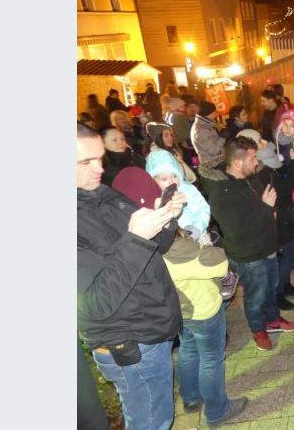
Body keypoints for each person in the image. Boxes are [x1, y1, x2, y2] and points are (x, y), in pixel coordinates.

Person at [111, 168, 249, 427]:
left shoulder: (130, 242)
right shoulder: (173, 246)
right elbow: (218, 264)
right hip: (203, 309)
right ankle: (218, 410)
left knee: (188, 350)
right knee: (211, 357)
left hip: (179, 310)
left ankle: (190, 397)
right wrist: (206, 247)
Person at [77, 122, 185, 430]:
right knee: (152, 422)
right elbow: (94, 306)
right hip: (130, 343)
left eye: (101, 158)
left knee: (157, 417)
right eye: (86, 162)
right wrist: (137, 238)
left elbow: (154, 248)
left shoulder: (101, 193)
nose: (99, 168)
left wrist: (165, 219)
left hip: (151, 328)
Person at [205, 137, 294, 351]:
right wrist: (267, 209)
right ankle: (258, 330)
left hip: (267, 246)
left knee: (271, 287)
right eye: (253, 158)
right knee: (255, 295)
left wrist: (270, 213)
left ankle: (272, 319)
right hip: (248, 255)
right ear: (237, 162)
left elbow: (261, 208)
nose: (257, 162)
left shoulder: (249, 177)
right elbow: (237, 230)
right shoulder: (221, 192)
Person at [256, 142, 294, 311]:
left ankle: (286, 285)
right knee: (287, 258)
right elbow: (285, 190)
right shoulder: (264, 172)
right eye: (260, 141)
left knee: (288, 256)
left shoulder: (270, 166)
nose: (265, 142)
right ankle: (278, 293)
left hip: (285, 218)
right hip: (278, 221)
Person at [146, 150, 212, 245]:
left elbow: (202, 208)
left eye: (174, 176)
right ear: (154, 181)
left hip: (198, 234)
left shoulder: (187, 190)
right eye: (164, 179)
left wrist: (197, 228)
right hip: (175, 241)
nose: (172, 181)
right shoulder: (155, 198)